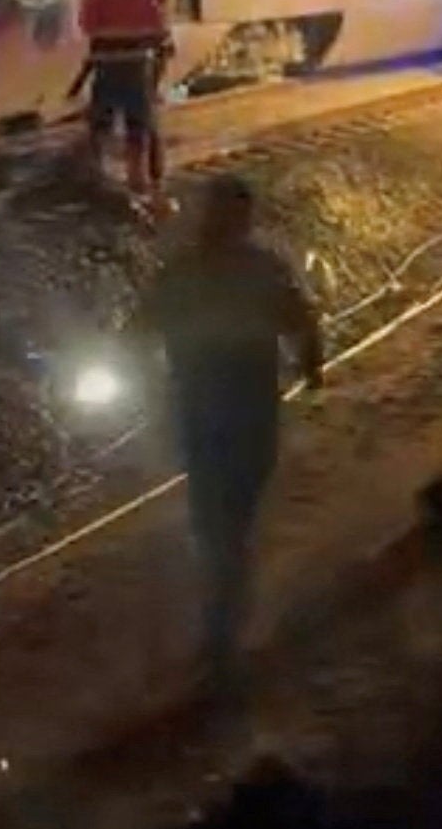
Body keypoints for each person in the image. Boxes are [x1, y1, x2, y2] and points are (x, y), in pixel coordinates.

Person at [124, 174, 326, 683]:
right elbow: (299, 318)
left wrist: (310, 359)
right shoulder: (253, 270)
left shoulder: (190, 272)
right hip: (241, 401)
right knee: (228, 512)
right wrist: (310, 363)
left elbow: (140, 328)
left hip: (206, 402)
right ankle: (226, 614)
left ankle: (224, 614)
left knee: (216, 511)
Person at [76, 0, 174, 200]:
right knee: (140, 122)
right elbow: (159, 30)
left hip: (106, 65)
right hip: (136, 66)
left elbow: (86, 26)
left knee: (101, 120)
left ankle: (98, 173)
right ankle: (143, 177)